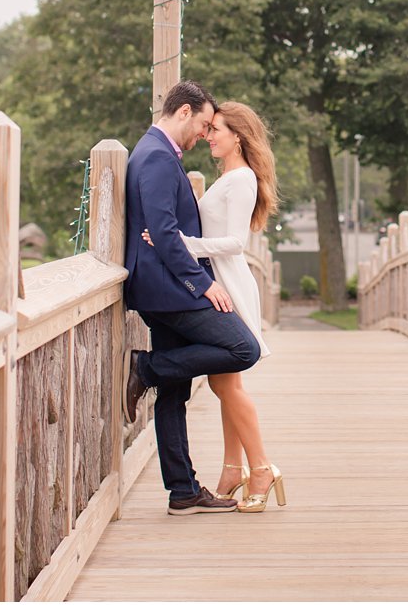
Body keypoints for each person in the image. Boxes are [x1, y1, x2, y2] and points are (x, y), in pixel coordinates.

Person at [123, 80, 260, 516]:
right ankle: (146, 366)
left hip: (162, 285)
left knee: (173, 392)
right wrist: (203, 285)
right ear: (184, 112)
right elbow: (163, 233)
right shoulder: (159, 157)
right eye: (203, 123)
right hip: (170, 290)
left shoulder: (151, 152)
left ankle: (182, 491)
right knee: (243, 348)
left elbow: (166, 230)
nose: (203, 133)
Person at [144, 101, 285, 513]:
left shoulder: (241, 179)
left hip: (228, 284)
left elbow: (237, 243)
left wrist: (181, 244)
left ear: (237, 136)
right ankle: (232, 468)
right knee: (227, 384)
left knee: (227, 383)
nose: (208, 135)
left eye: (216, 130)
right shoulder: (228, 177)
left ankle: (260, 467)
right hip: (215, 280)